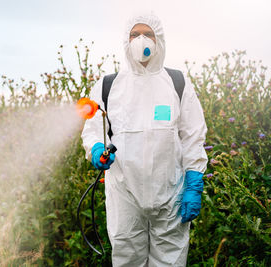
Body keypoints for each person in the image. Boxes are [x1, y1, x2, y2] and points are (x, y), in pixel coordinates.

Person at [81, 12, 208, 266]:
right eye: (134, 34)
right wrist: (97, 149)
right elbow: (93, 128)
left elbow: (193, 135)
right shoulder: (109, 86)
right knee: (128, 259)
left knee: (170, 261)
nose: (141, 40)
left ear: (159, 39)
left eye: (148, 34)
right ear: (126, 41)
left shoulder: (177, 82)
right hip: (124, 193)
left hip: (170, 193)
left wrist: (194, 180)